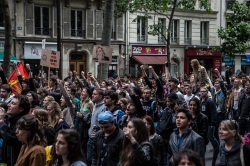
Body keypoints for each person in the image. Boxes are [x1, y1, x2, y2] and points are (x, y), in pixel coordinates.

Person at [0, 95, 30, 165]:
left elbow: (11, 139)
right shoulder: (10, 119)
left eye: (13, 103)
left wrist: (1, 122)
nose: (8, 105)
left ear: (21, 109)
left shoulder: (23, 122)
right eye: (10, 102)